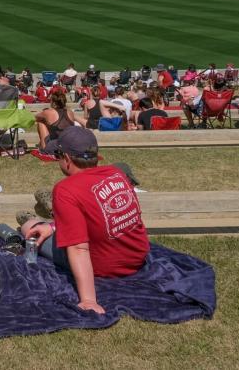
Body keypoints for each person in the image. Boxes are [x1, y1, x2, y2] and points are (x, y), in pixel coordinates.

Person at [22, 126, 149, 313]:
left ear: (66, 159)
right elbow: (105, 215)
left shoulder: (65, 189)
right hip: (137, 257)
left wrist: (89, 300)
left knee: (28, 226)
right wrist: (53, 227)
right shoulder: (117, 174)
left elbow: (78, 248)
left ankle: (43, 218)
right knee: (61, 222)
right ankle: (54, 220)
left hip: (102, 265)